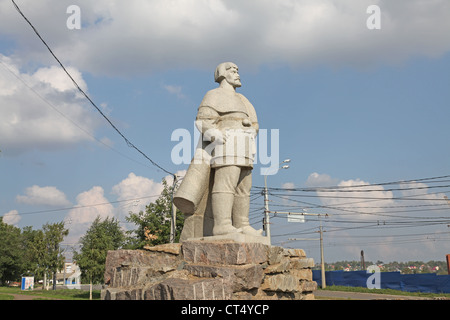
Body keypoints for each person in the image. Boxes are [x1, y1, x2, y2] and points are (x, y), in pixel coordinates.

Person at [193, 62, 262, 236]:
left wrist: (252, 129)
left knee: (244, 187)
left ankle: (242, 224)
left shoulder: (243, 99)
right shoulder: (213, 95)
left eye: (238, 70)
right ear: (223, 73)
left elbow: (255, 123)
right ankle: (222, 224)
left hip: (245, 145)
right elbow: (202, 120)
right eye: (233, 71)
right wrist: (213, 133)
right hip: (226, 143)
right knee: (226, 183)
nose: (238, 74)